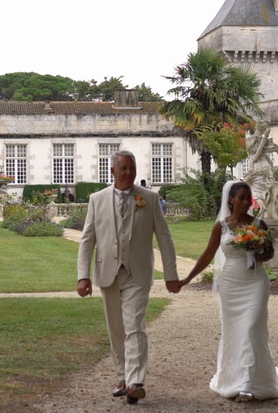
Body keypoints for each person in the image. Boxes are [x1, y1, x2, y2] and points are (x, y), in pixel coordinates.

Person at [77, 150, 181, 405]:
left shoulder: (149, 198)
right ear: (112, 171)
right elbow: (87, 240)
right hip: (108, 273)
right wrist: (83, 277)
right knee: (117, 330)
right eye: (123, 168)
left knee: (134, 326)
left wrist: (171, 274)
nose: (128, 173)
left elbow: (165, 238)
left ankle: (136, 381)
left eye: (132, 168)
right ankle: (122, 377)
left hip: (138, 273)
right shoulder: (97, 199)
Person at [178, 181, 278, 401]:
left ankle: (248, 384)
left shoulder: (259, 224)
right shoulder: (221, 227)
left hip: (255, 282)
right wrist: (187, 279)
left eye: (247, 198)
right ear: (230, 199)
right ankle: (236, 377)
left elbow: (270, 253)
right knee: (235, 331)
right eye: (240, 198)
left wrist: (257, 250)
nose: (244, 202)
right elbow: (206, 256)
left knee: (251, 327)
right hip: (231, 284)